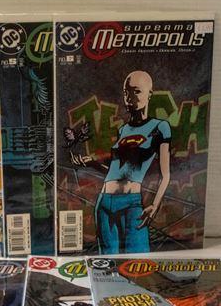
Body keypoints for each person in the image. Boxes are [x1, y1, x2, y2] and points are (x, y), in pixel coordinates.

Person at [71, 70, 171, 253]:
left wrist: (155, 205)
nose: (130, 98)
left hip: (132, 204)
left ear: (150, 94)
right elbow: (116, 171)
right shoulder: (123, 130)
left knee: (138, 261)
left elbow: (166, 175)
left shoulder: (160, 127)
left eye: (136, 91)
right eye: (126, 92)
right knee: (107, 262)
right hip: (104, 203)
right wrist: (92, 163)